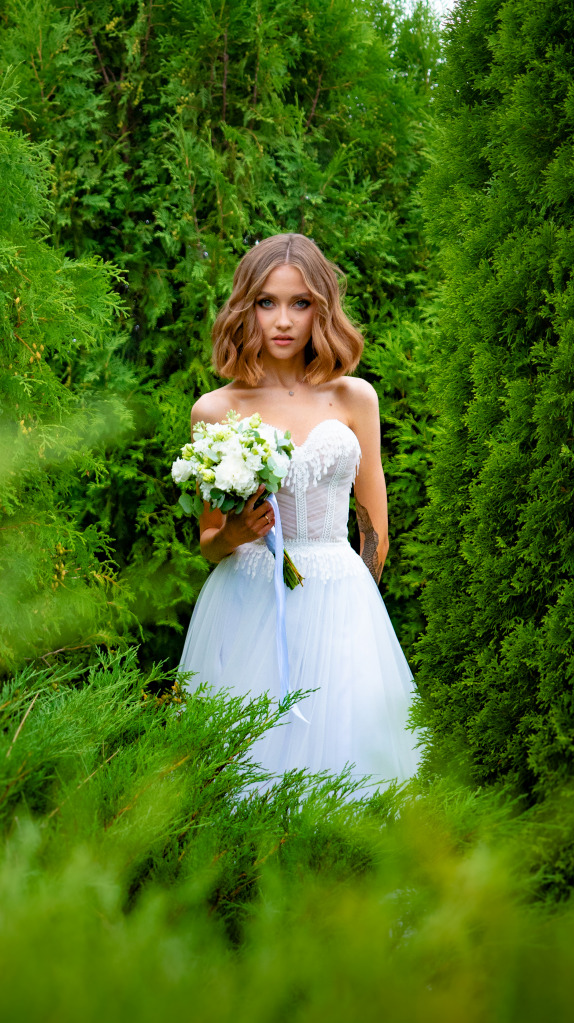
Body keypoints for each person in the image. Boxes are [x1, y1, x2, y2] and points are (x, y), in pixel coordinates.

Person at [178, 233, 422, 795]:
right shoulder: (216, 410)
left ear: (322, 310)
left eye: (300, 303)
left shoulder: (354, 397)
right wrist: (237, 531)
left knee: (351, 757)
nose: (282, 320)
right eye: (267, 302)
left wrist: (358, 605)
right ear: (246, 308)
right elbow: (211, 543)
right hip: (248, 602)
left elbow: (373, 520)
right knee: (250, 760)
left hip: (341, 599)